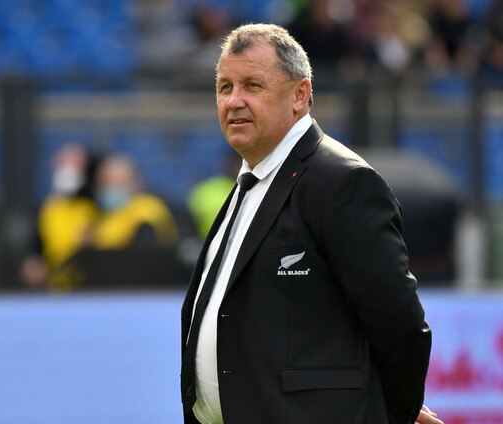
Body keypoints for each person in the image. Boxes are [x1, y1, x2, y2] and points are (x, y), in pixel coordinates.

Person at [180, 23, 442, 424]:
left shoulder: (342, 182)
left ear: (300, 95)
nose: (233, 101)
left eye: (252, 85)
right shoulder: (248, 182)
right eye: (224, 87)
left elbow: (399, 322)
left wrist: (392, 411)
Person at [19, 143, 99, 290]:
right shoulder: (49, 206)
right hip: (56, 286)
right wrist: (34, 263)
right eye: (63, 163)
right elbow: (38, 245)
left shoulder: (96, 203)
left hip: (91, 286)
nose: (68, 170)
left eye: (74, 164)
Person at [88, 153, 178, 249]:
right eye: (105, 182)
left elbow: (145, 248)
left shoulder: (148, 208)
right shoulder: (99, 214)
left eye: (118, 182)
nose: (110, 187)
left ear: (134, 182)